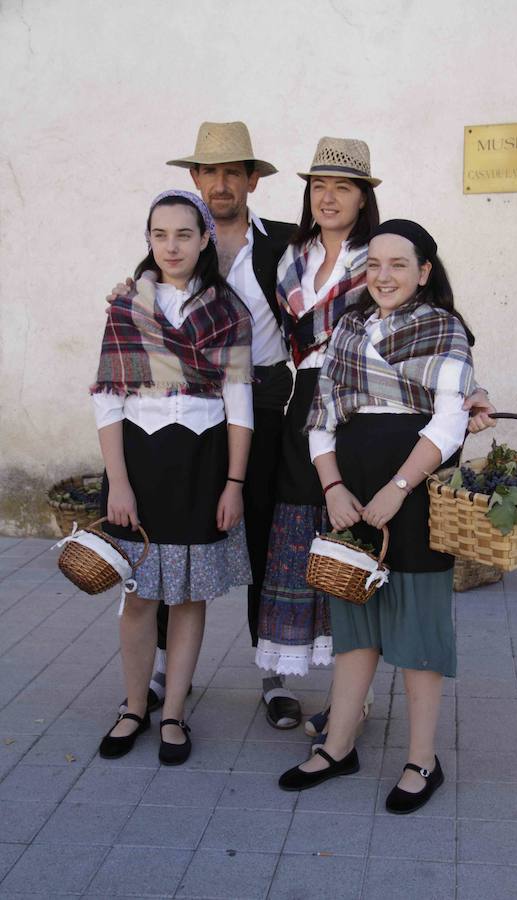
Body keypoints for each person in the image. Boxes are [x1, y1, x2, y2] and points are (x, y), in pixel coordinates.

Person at [278, 219, 475, 814]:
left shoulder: (445, 330)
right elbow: (321, 419)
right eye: (375, 264)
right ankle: (339, 746)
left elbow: (449, 421)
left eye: (398, 265)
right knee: (352, 623)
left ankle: (423, 759)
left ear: (424, 272)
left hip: (412, 491)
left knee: (417, 629)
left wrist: (399, 487)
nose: (383, 276)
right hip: (351, 490)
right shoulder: (346, 328)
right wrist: (333, 486)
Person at [109, 122, 298, 727]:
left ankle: (271, 669)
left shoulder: (287, 245)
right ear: (195, 179)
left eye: (232, 172)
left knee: (259, 535)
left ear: (252, 181)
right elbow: (140, 325)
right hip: (196, 414)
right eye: (209, 172)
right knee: (168, 536)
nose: (220, 183)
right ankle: (163, 668)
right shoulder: (173, 248)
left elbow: (345, 293)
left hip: (265, 402)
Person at [92, 190, 253, 765]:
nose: (172, 246)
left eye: (184, 234)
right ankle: (135, 705)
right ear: (149, 241)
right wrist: (119, 482)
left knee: (187, 596)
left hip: (204, 462)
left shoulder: (227, 312)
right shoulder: (127, 310)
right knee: (140, 595)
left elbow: (239, 405)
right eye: (160, 235)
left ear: (205, 238)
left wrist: (234, 483)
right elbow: (108, 402)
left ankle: (176, 711)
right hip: (144, 461)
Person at [254, 137, 382, 704]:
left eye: (343, 187)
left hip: (358, 402)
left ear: (362, 198)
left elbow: (433, 316)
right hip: (304, 399)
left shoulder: (378, 254)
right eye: (319, 186)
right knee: (302, 531)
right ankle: (294, 674)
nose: (328, 197)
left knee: (350, 536)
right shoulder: (291, 256)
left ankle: (351, 697)